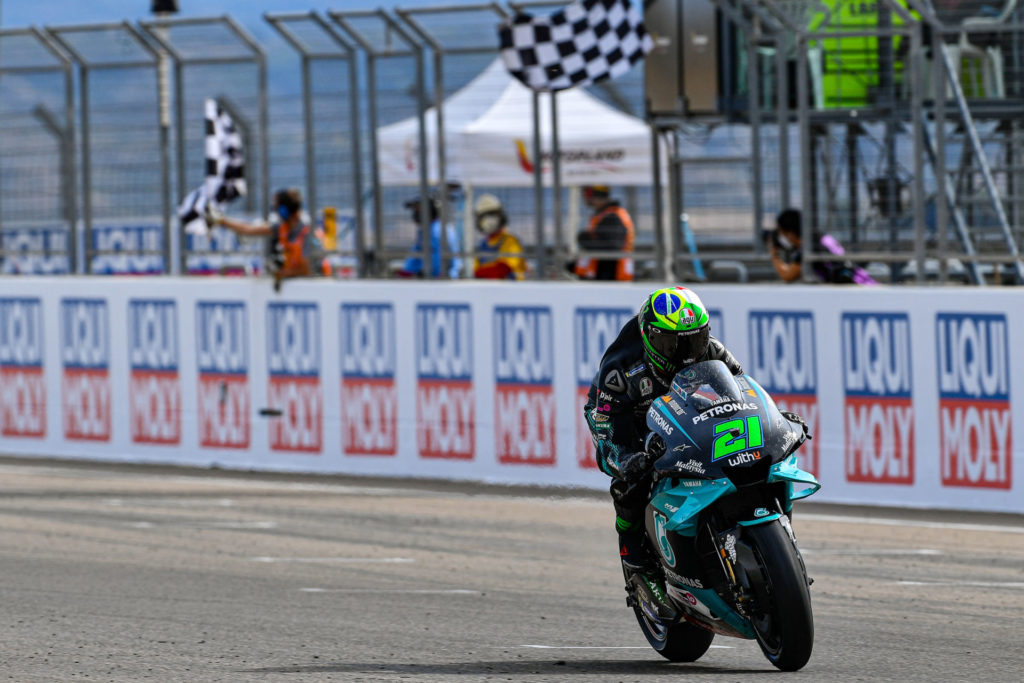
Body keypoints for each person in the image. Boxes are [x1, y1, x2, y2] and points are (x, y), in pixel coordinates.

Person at [583, 286, 808, 618]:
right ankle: (636, 563)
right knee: (631, 481)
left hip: (682, 409)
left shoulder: (712, 351)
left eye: (694, 340)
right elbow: (602, 420)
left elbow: (745, 391)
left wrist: (776, 422)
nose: (686, 352)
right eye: (673, 344)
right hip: (628, 420)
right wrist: (623, 456)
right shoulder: (621, 369)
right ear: (650, 338)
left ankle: (781, 545)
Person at [208, 188, 330, 289]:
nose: (276, 211)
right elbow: (248, 229)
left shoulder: (307, 233)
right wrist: (221, 221)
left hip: (319, 287)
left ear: (284, 210)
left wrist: (280, 273)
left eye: (277, 208)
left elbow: (306, 270)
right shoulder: (283, 228)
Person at [768, 208, 876, 284]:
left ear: (790, 233)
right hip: (862, 280)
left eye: (781, 233)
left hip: (854, 285)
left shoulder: (808, 248)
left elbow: (788, 276)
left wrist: (774, 255)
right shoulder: (820, 238)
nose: (780, 237)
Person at [574, 185, 634, 281]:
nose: (585, 198)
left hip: (612, 274)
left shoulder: (612, 216)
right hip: (606, 273)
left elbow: (612, 246)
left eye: (587, 193)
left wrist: (585, 240)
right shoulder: (605, 214)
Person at [397, 193, 462, 279]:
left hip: (441, 279)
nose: (415, 213)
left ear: (429, 210)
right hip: (427, 278)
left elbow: (447, 257)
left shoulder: (439, 229)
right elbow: (416, 253)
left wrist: (447, 274)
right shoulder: (425, 230)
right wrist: (408, 272)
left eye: (418, 209)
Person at [471, 194, 526, 280]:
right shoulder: (482, 245)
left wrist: (486, 271)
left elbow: (502, 270)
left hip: (513, 291)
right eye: (484, 215)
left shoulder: (511, 241)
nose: (489, 220)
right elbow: (477, 272)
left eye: (492, 214)